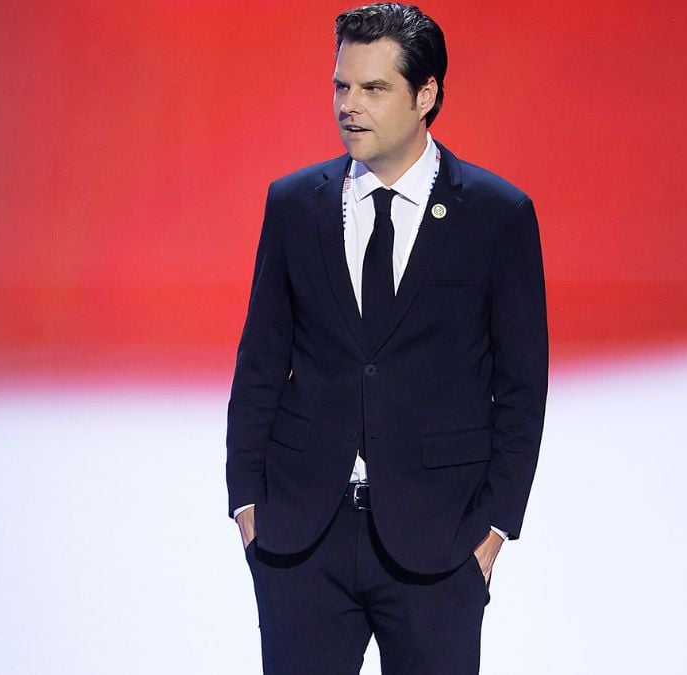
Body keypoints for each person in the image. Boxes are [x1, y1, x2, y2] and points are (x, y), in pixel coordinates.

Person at [225, 3, 547, 672]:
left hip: (439, 545)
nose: (350, 105)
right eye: (342, 85)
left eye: (374, 88)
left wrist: (492, 530)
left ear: (425, 94)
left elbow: (521, 387)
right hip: (301, 539)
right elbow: (260, 361)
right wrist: (247, 502)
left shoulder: (497, 215)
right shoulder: (293, 204)